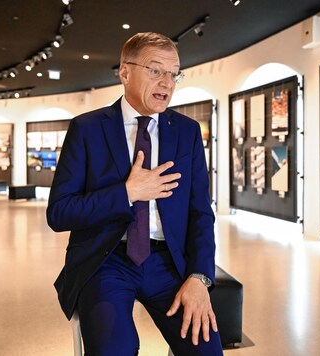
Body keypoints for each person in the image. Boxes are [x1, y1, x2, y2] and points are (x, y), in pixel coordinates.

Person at [47, 32, 223, 355]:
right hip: (106, 261)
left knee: (206, 349)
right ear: (125, 72)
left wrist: (200, 277)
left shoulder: (187, 133)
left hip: (169, 264)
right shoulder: (87, 130)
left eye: (174, 73)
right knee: (116, 348)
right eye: (156, 70)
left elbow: (200, 213)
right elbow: (59, 212)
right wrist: (127, 193)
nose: (167, 83)